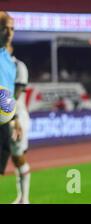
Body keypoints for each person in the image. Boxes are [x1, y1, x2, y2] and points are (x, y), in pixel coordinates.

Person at [7, 44, 31, 204]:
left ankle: (23, 199)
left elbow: (13, 97)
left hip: (15, 119)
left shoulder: (17, 66)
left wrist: (14, 119)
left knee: (18, 159)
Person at [0, 11, 16, 176]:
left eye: (12, 29)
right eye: (5, 28)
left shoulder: (9, 61)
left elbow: (10, 94)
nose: (10, 33)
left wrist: (15, 119)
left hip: (4, 123)